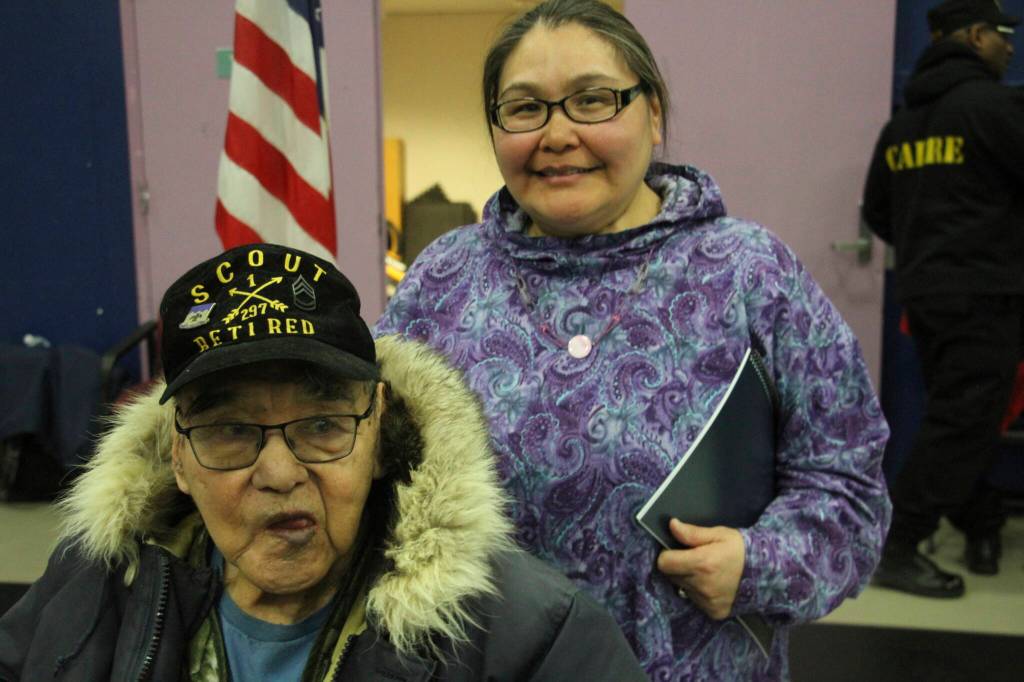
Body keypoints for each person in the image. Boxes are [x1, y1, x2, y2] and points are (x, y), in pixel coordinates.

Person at [375, 0, 891, 678]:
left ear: (652, 113)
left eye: (593, 100)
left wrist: (758, 564)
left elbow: (850, 487)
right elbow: (369, 464)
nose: (557, 134)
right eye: (525, 108)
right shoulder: (442, 279)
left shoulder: (749, 274)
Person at [0, 243, 648, 681]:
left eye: (321, 426)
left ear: (378, 429)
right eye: (229, 431)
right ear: (177, 455)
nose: (280, 475)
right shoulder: (98, 581)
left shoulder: (533, 636)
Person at [862, 0, 1024, 597]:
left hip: (927, 294)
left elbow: (880, 211)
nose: (1009, 47)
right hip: (986, 292)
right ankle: (900, 544)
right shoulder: (995, 107)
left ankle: (980, 523)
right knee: (966, 421)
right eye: (1003, 36)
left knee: (960, 418)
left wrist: (931, 246)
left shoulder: (901, 126)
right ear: (977, 36)